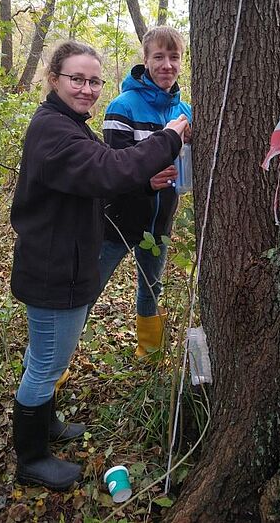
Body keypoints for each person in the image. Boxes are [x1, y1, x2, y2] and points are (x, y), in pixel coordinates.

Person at [10, 40, 188, 491]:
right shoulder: (55, 131)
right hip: (55, 269)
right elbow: (108, 170)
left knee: (45, 356)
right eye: (77, 79)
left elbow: (98, 179)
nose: (87, 89)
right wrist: (170, 138)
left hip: (59, 261)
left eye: (93, 81)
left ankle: (46, 424)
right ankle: (31, 458)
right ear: (54, 80)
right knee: (48, 363)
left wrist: (145, 182)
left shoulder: (67, 123)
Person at [97, 26, 191, 358]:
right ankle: (53, 368)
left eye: (174, 57)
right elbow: (112, 170)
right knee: (87, 289)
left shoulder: (185, 110)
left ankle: (149, 352)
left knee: (151, 287)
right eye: (159, 57)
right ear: (146, 60)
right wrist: (145, 181)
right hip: (118, 223)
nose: (167, 65)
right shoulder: (123, 107)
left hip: (160, 224)